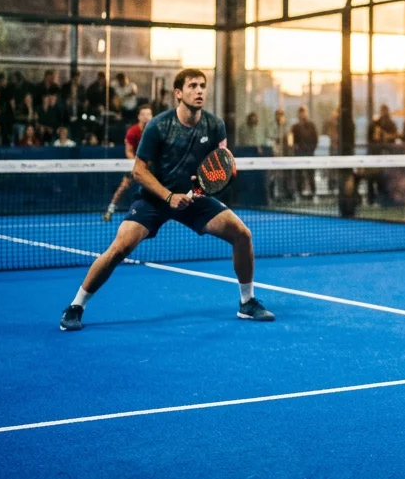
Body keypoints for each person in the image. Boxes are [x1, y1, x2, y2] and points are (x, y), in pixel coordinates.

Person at [59, 69, 274, 331]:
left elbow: (221, 163)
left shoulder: (214, 125)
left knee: (242, 234)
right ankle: (76, 306)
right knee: (120, 247)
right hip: (155, 198)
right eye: (192, 86)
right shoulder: (158, 126)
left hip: (193, 198)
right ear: (178, 93)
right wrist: (169, 197)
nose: (199, 90)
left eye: (202, 85)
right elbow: (139, 171)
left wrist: (213, 178)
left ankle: (247, 302)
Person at [104, 104, 154, 221]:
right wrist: (138, 164)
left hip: (152, 164)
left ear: (152, 116)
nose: (146, 117)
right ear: (139, 117)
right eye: (143, 114)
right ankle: (110, 209)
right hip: (135, 163)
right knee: (124, 185)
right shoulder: (132, 131)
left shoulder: (155, 131)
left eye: (148, 114)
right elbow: (128, 151)